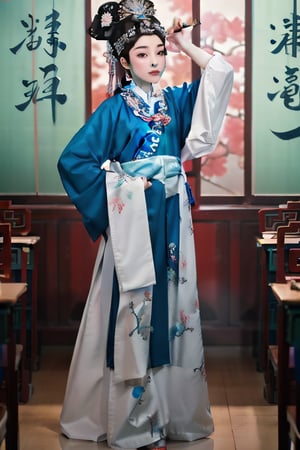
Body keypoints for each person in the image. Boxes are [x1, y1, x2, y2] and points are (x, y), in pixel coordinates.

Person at [57, 1, 233, 449]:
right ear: (123, 61)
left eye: (160, 52)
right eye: (142, 54)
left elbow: (218, 75)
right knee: (132, 313)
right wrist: (126, 190)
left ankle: (172, 416)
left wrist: (185, 43)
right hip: (133, 227)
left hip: (172, 223)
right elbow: (74, 161)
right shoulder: (114, 111)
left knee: (175, 312)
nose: (155, 61)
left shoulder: (175, 102)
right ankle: (135, 421)